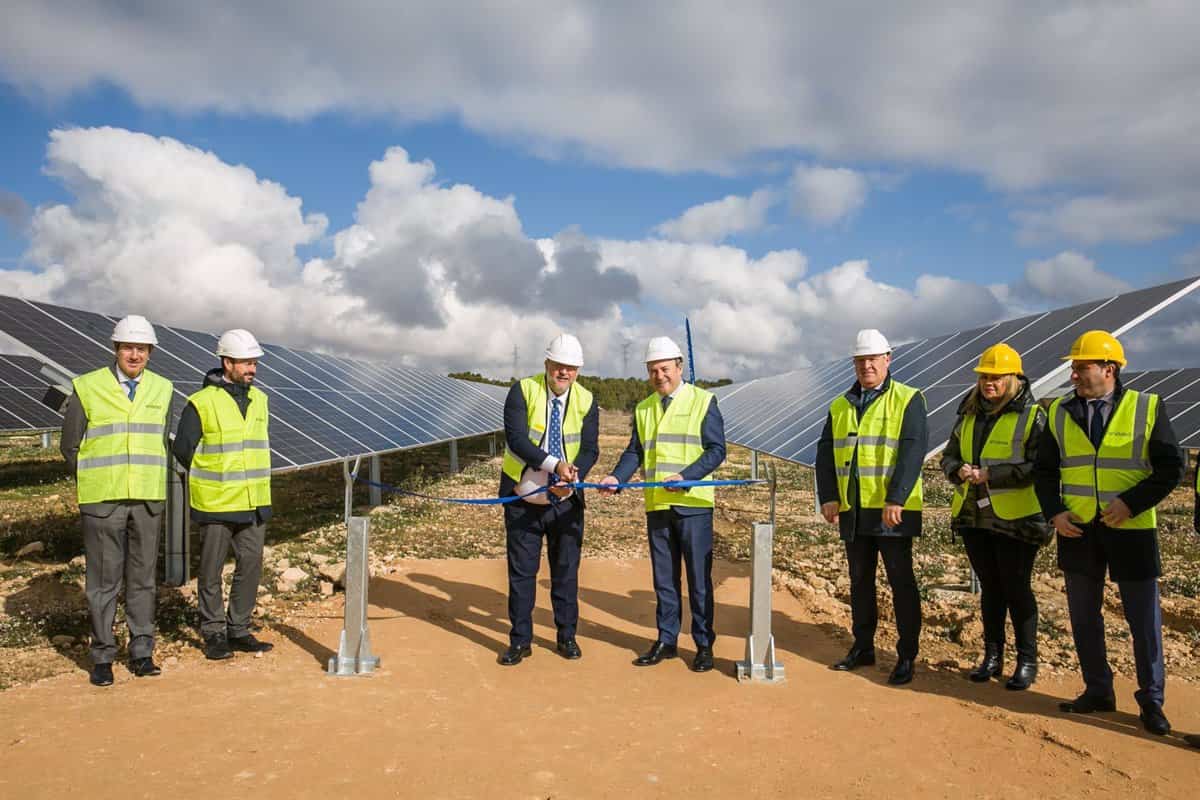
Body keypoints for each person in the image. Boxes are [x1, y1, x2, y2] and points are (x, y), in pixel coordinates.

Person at [1033, 330, 1184, 736]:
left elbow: (1172, 467)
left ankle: (1151, 702)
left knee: (1143, 622)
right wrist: (1055, 513)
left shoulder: (1147, 407)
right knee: (1083, 617)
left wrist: (1131, 503)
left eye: (1081, 367)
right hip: (1078, 530)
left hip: (1131, 529)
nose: (1074, 374)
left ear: (1109, 369)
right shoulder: (1060, 413)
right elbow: (1044, 471)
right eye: (1074, 367)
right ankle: (1098, 690)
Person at [599, 337, 726, 672]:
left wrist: (688, 475)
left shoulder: (703, 401)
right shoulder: (643, 408)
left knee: (699, 580)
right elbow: (635, 452)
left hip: (693, 505)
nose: (659, 376)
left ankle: (703, 645)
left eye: (665, 369)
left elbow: (716, 450)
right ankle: (667, 640)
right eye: (653, 370)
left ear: (679, 367)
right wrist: (617, 478)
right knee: (664, 580)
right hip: (657, 505)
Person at [61, 315, 173, 686]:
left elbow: (162, 443)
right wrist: (96, 477)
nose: (135, 354)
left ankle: (141, 652)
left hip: (146, 499)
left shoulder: (163, 388)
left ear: (151, 352)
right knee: (103, 582)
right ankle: (103, 656)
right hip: (103, 500)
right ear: (116, 349)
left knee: (142, 580)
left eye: (141, 348)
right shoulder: (87, 386)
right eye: (128, 347)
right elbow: (70, 444)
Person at [816, 328, 928, 685]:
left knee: (901, 582)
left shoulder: (909, 399)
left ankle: (907, 655)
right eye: (861, 361)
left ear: (887, 360)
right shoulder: (840, 405)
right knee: (860, 581)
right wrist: (829, 496)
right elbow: (824, 454)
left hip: (892, 511)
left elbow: (912, 452)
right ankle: (863, 646)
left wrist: (896, 497)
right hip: (854, 509)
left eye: (873, 360)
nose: (867, 366)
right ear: (854, 364)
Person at [941, 343, 1050, 691]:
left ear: (1014, 378)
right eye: (984, 376)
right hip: (975, 516)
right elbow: (949, 456)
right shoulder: (969, 414)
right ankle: (992, 656)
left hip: (1018, 520)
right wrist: (958, 471)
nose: (989, 382)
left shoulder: (1033, 417)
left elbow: (1040, 466)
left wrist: (992, 474)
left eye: (996, 377)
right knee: (990, 588)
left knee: (1016, 588)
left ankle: (1026, 660)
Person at [496, 333, 600, 666]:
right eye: (559, 366)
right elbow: (516, 440)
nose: (564, 373)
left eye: (571, 368)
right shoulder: (523, 391)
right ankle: (520, 640)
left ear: (578, 371)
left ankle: (566, 636)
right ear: (547, 364)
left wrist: (572, 475)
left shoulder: (586, 400)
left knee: (566, 572)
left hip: (566, 500)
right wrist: (554, 465)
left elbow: (589, 447)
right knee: (522, 573)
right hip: (523, 499)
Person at [172, 329, 274, 661]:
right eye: (246, 362)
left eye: (254, 363)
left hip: (254, 499)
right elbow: (184, 450)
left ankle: (239, 629)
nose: (252, 369)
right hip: (216, 501)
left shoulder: (260, 399)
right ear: (226, 362)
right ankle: (214, 632)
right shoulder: (200, 403)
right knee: (211, 569)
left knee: (251, 564)